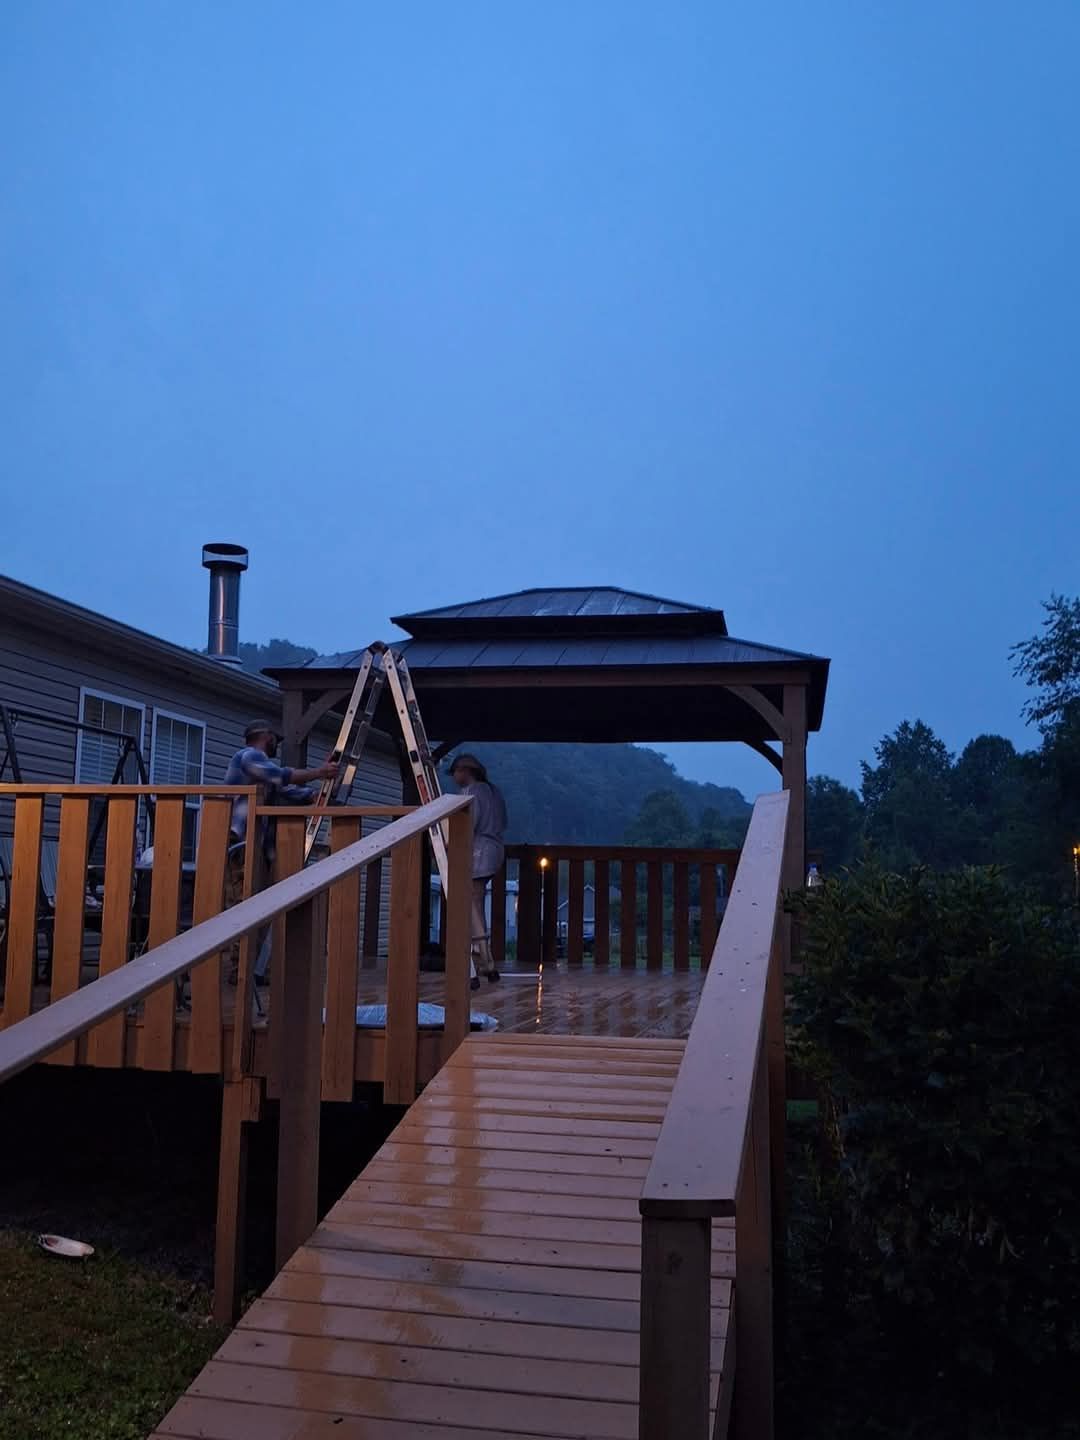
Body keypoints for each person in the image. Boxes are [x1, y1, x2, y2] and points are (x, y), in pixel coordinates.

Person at [222, 720, 336, 984]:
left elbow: (288, 789)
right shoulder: (248, 756)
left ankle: (248, 969)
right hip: (239, 844)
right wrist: (321, 772)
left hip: (255, 846)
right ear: (266, 736)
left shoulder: (263, 770)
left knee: (254, 905)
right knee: (242, 905)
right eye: (276, 739)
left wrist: (318, 795)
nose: (278, 744)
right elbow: (283, 776)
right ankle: (239, 974)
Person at [448, 753, 507, 991]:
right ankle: (482, 958)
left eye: (456, 772)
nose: (454, 776)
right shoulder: (493, 791)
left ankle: (484, 958)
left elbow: (466, 825)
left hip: (479, 850)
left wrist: (449, 843)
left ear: (465, 771)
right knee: (476, 902)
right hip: (494, 848)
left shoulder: (473, 792)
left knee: (472, 902)